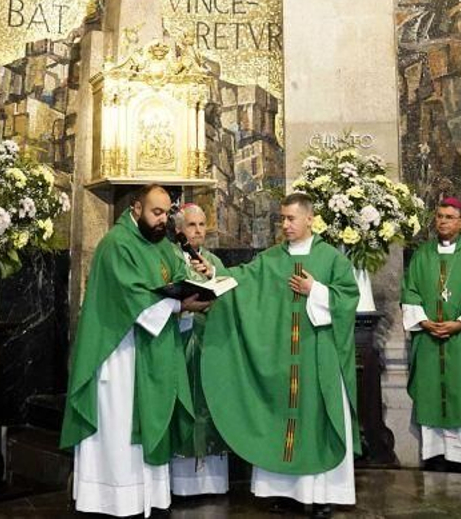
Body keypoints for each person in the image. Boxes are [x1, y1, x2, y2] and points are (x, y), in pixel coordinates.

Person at [203, 192, 359, 518]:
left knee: (315, 421)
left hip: (318, 359)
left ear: (309, 220)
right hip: (280, 360)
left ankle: (321, 493)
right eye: (282, 218)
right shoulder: (272, 258)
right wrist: (211, 272)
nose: (284, 225)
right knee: (278, 421)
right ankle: (284, 492)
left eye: (290, 218)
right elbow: (242, 278)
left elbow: (348, 301)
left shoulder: (332, 259)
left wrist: (315, 290)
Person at [61, 185, 204, 516]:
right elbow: (131, 298)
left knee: (144, 424)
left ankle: (149, 498)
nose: (162, 220)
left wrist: (201, 291)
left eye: (167, 213)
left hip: (151, 350)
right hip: (120, 353)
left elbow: (180, 280)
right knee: (119, 430)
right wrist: (178, 304)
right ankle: (111, 500)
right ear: (136, 208)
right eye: (156, 212)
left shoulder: (165, 247)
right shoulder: (117, 244)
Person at [400, 196, 461, 466]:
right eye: (439, 216)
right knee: (432, 392)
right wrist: (423, 321)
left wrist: (460, 323)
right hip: (429, 341)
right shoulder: (423, 254)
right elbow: (409, 291)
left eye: (449, 217)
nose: (442, 221)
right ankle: (436, 456)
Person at [170, 203, 230, 496]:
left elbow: (232, 294)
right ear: (179, 230)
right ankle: (179, 484)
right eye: (192, 225)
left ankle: (212, 483)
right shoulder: (167, 258)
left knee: (208, 404)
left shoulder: (214, 261)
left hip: (210, 345)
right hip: (178, 343)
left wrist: (213, 277)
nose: (198, 230)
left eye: (202, 224)